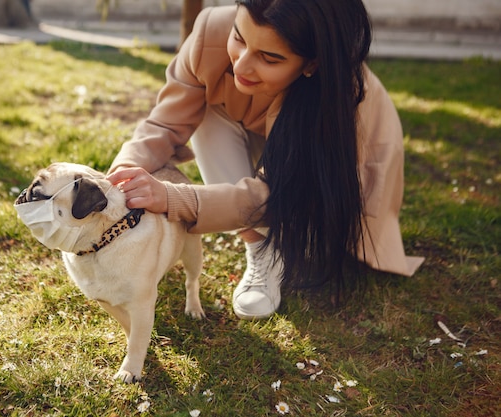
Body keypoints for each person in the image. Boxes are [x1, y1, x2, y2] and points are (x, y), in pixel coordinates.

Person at [106, 0, 424, 319]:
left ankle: (285, 237)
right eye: (239, 38)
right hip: (251, 125)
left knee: (318, 233)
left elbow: (271, 194)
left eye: (269, 58)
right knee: (206, 111)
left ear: (310, 64)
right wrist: (122, 173)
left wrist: (172, 197)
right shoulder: (210, 31)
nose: (241, 66)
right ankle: (260, 244)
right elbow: (165, 124)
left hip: (342, 156)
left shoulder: (337, 98)